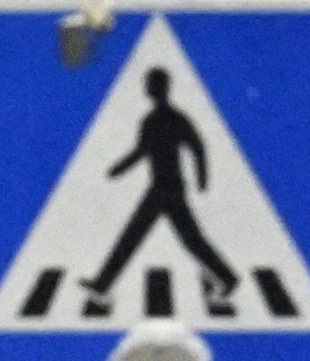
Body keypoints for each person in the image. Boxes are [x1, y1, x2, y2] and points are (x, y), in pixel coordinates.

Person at [81, 67, 242, 317]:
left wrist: (202, 178)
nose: (147, 88)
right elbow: (144, 151)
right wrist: (119, 169)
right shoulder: (154, 119)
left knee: (173, 239)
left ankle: (228, 278)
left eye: (150, 84)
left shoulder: (170, 118)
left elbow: (197, 146)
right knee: (143, 237)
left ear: (159, 88)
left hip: (169, 189)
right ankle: (102, 284)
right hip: (161, 188)